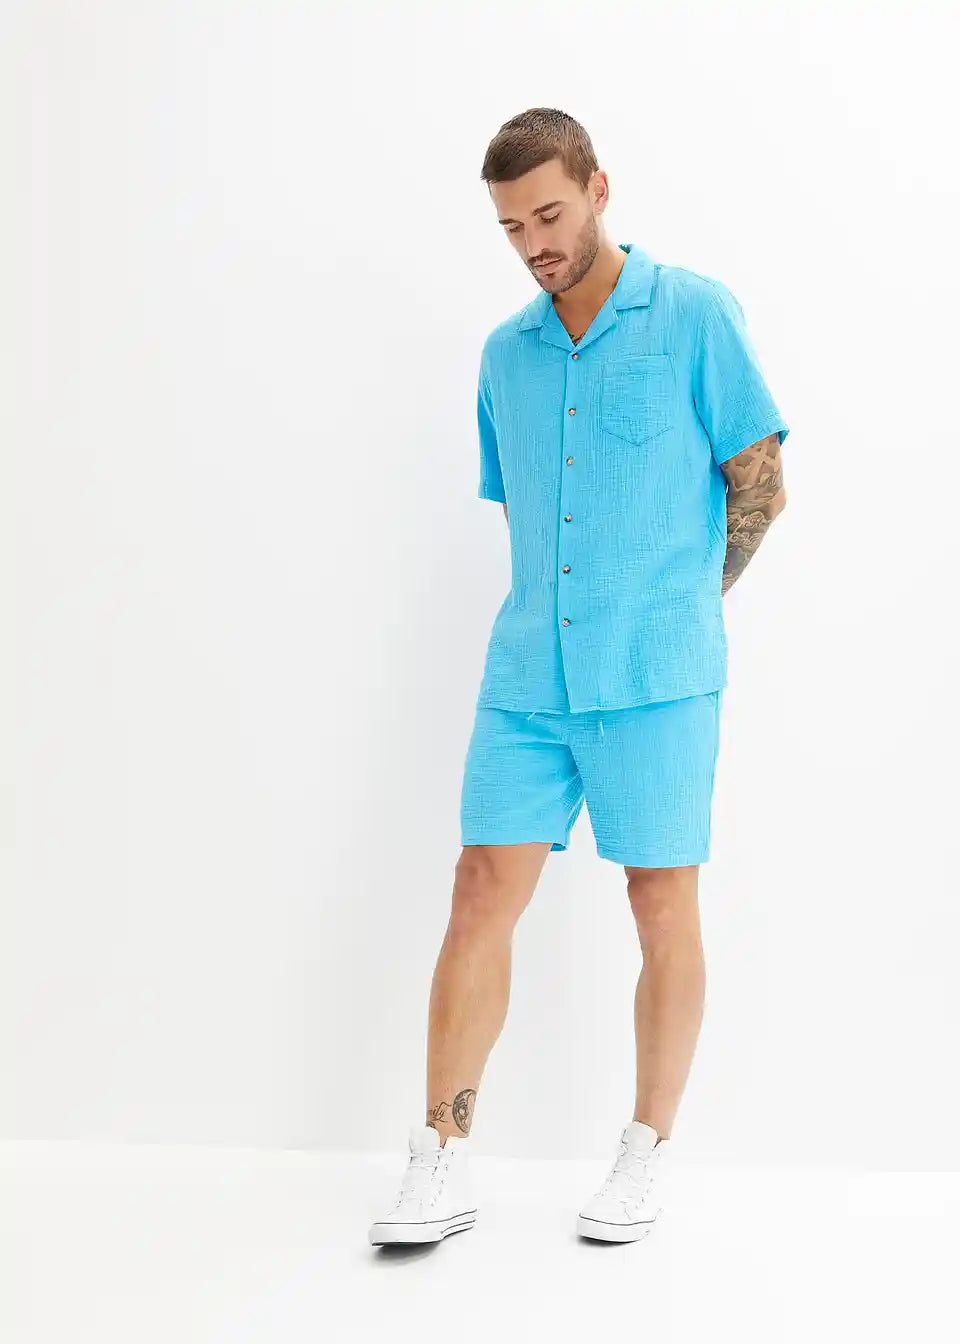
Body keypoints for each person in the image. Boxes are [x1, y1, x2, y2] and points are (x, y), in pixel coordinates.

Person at [369, 108, 789, 1247]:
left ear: (600, 188)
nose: (535, 244)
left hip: (658, 675)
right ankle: (440, 1156)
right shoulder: (505, 356)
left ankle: (645, 1151)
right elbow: (535, 515)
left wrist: (681, 604)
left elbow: (760, 484)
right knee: (478, 889)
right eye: (512, 228)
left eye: (550, 215)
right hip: (529, 675)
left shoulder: (694, 313)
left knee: (660, 901)